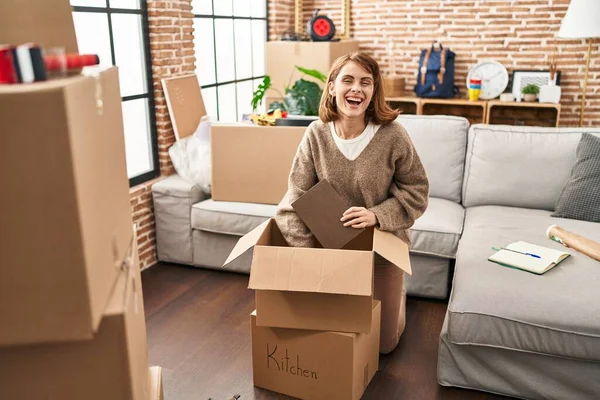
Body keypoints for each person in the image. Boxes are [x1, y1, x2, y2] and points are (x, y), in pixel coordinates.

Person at [274, 52, 429, 354]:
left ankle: (398, 296)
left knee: (383, 346)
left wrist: (376, 215)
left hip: (381, 245)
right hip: (329, 249)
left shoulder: (393, 135)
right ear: (332, 87)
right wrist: (308, 257)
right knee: (332, 330)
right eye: (348, 80)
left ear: (373, 92)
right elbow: (294, 197)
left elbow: (417, 191)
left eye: (365, 82)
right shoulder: (316, 134)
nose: (356, 88)